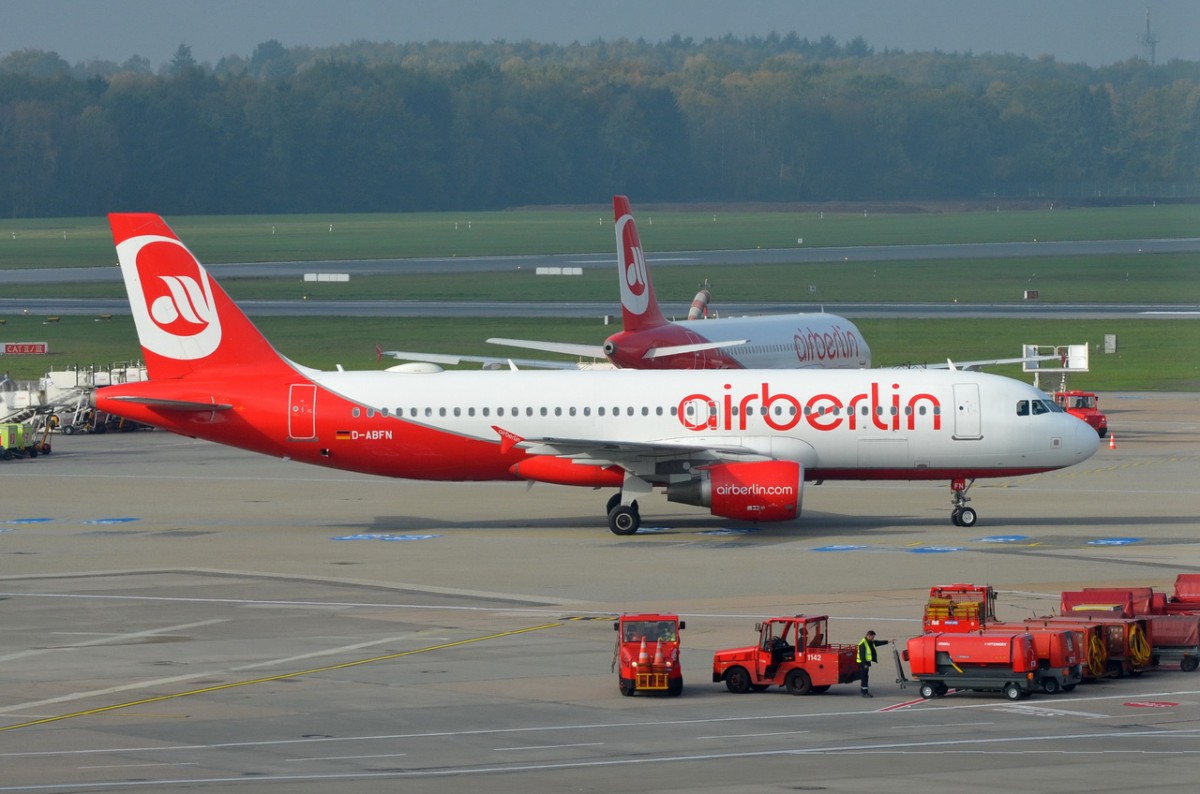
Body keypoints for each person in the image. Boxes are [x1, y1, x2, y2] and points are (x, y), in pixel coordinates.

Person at [856, 630, 890, 697]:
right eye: (872, 637)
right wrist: (865, 664)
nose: (873, 638)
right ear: (868, 636)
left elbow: (877, 642)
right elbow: (861, 655)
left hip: (866, 662)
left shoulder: (869, 642)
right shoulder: (863, 643)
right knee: (864, 677)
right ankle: (864, 692)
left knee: (865, 676)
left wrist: (888, 641)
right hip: (863, 663)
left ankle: (864, 690)